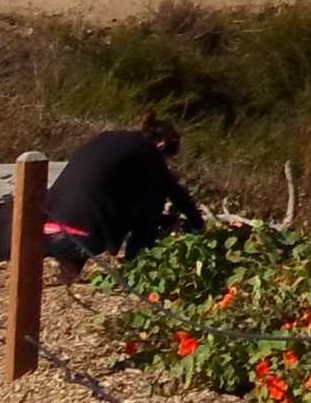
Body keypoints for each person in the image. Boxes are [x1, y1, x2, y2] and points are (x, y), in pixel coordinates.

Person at [41, 112, 208, 285]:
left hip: (49, 226)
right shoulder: (147, 151)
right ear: (161, 145)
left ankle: (71, 265)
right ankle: (137, 260)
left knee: (111, 201)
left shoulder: (110, 138)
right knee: (154, 193)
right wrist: (198, 224)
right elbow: (174, 191)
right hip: (80, 238)